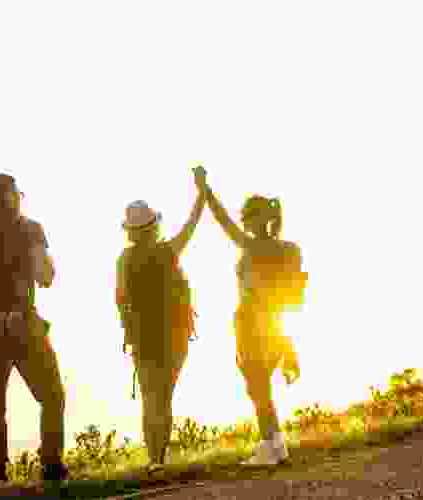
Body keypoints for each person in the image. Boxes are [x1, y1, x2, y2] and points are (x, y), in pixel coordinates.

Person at [195, 167, 302, 466]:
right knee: (260, 384)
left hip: (252, 322)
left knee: (256, 385)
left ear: (260, 219)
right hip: (276, 323)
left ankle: (270, 445)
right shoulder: (289, 249)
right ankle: (276, 444)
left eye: (247, 218)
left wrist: (204, 188)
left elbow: (221, 220)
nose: (243, 222)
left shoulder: (254, 247)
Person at [0, 173, 69, 485]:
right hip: (22, 325)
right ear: (14, 196)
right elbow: (45, 276)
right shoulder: (29, 229)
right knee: (53, 396)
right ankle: (52, 469)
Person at [115, 170, 206, 473]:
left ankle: (154, 459)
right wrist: (202, 189)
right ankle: (158, 460)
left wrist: (129, 329)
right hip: (174, 335)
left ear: (129, 231)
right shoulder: (168, 251)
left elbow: (120, 300)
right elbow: (193, 223)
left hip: (142, 337)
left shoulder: (124, 260)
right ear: (154, 226)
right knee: (163, 397)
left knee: (150, 398)